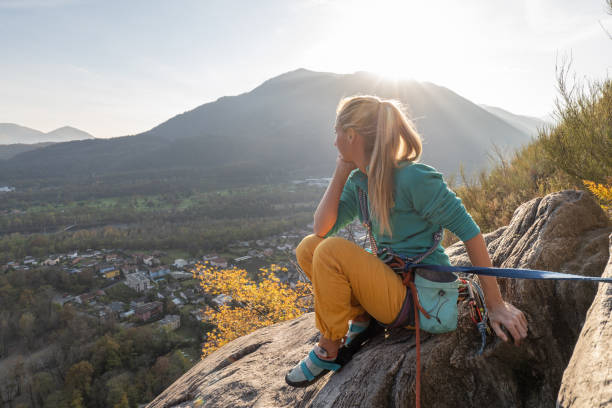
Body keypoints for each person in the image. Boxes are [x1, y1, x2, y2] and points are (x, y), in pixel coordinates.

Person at [285, 95, 528, 387]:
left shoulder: (414, 179)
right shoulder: (359, 183)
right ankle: (363, 318)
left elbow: (470, 232)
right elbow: (321, 227)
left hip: (418, 296)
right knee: (309, 248)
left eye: (337, 134)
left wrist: (495, 303)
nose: (334, 142)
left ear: (351, 135)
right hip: (390, 286)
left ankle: (329, 348)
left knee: (330, 251)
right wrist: (341, 171)